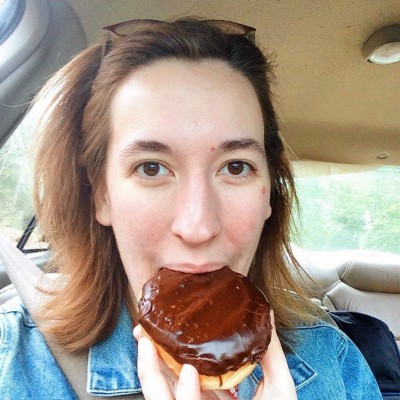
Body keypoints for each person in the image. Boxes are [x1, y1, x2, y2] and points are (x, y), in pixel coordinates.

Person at [0, 18, 382, 399]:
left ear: (269, 196)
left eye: (236, 167)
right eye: (151, 168)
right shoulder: (12, 362)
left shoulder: (335, 364)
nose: (198, 227)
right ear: (102, 196)